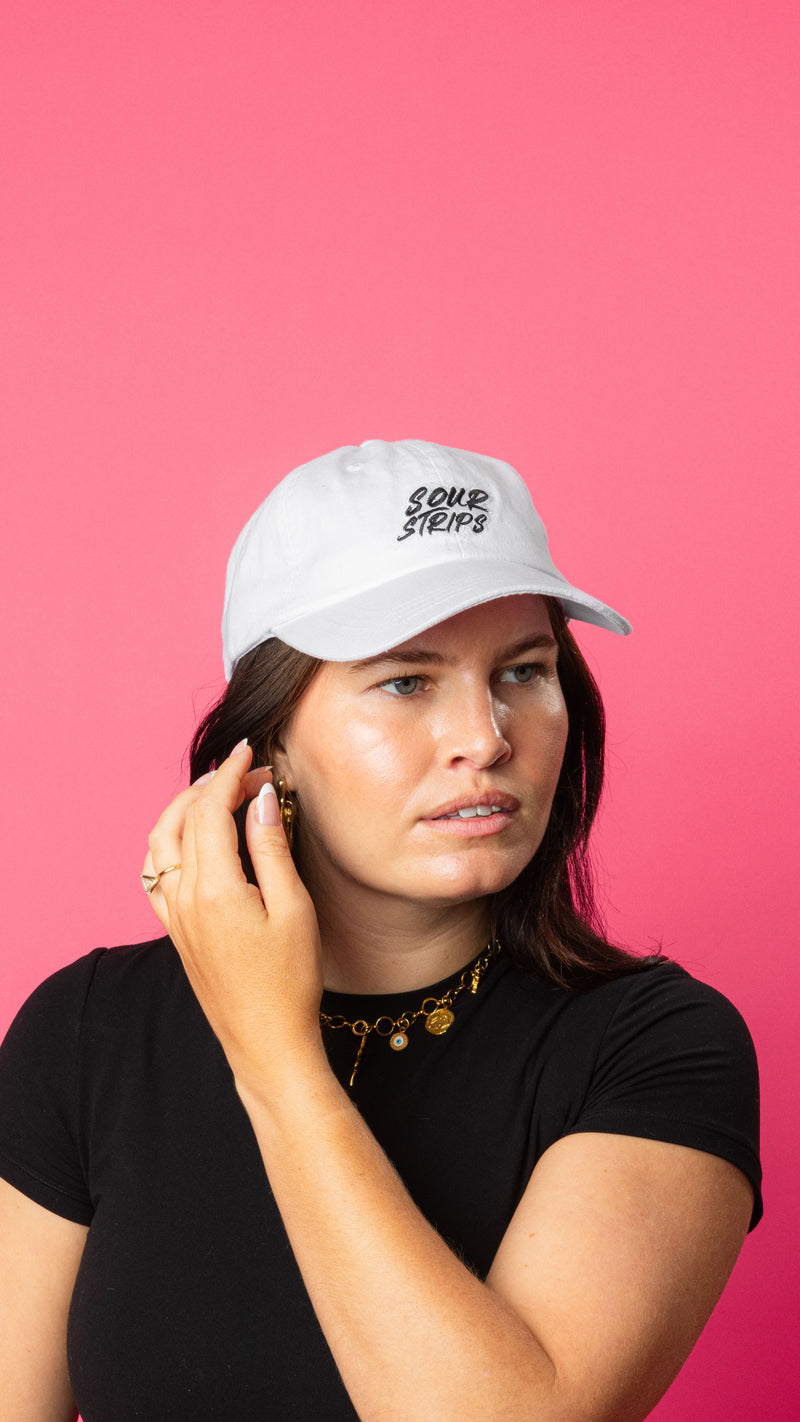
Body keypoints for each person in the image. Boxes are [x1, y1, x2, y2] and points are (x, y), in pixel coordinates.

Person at [0, 439, 761, 1422]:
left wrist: (276, 1062)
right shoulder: (88, 1032)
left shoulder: (652, 1046)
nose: (484, 737)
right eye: (406, 681)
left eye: (524, 672)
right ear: (268, 743)